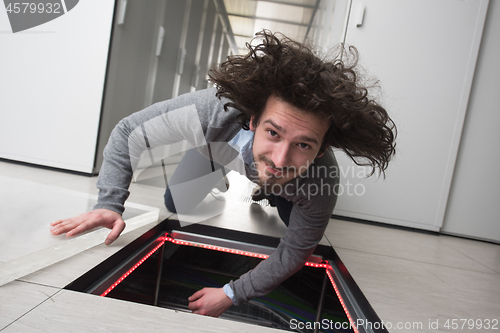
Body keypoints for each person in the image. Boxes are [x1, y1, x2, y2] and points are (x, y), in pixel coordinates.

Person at [50, 30, 396, 317]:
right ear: (253, 120)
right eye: (273, 133)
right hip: (220, 152)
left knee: (294, 220)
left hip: (291, 187)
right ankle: (224, 171)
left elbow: (293, 252)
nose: (281, 156)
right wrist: (110, 203)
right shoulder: (210, 111)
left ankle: (268, 192)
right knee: (176, 200)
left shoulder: (321, 182)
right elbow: (128, 132)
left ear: (321, 150)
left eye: (303, 144)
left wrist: (233, 292)